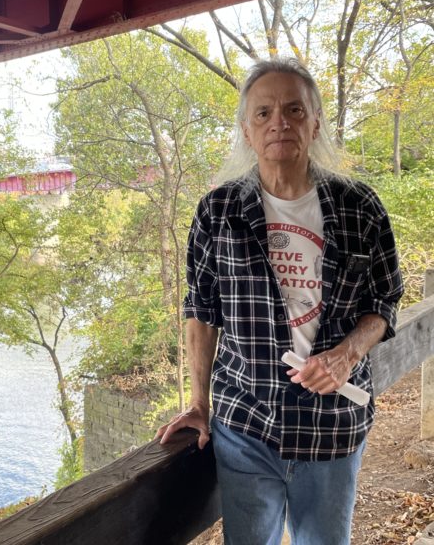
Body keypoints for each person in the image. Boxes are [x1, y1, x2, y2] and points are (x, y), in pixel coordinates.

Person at [156, 58, 404, 545]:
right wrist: (199, 404)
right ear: (247, 131)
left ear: (314, 123)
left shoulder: (361, 206)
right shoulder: (219, 211)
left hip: (331, 426)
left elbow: (385, 300)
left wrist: (347, 355)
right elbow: (201, 311)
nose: (279, 123)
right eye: (264, 113)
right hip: (246, 424)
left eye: (293, 109)